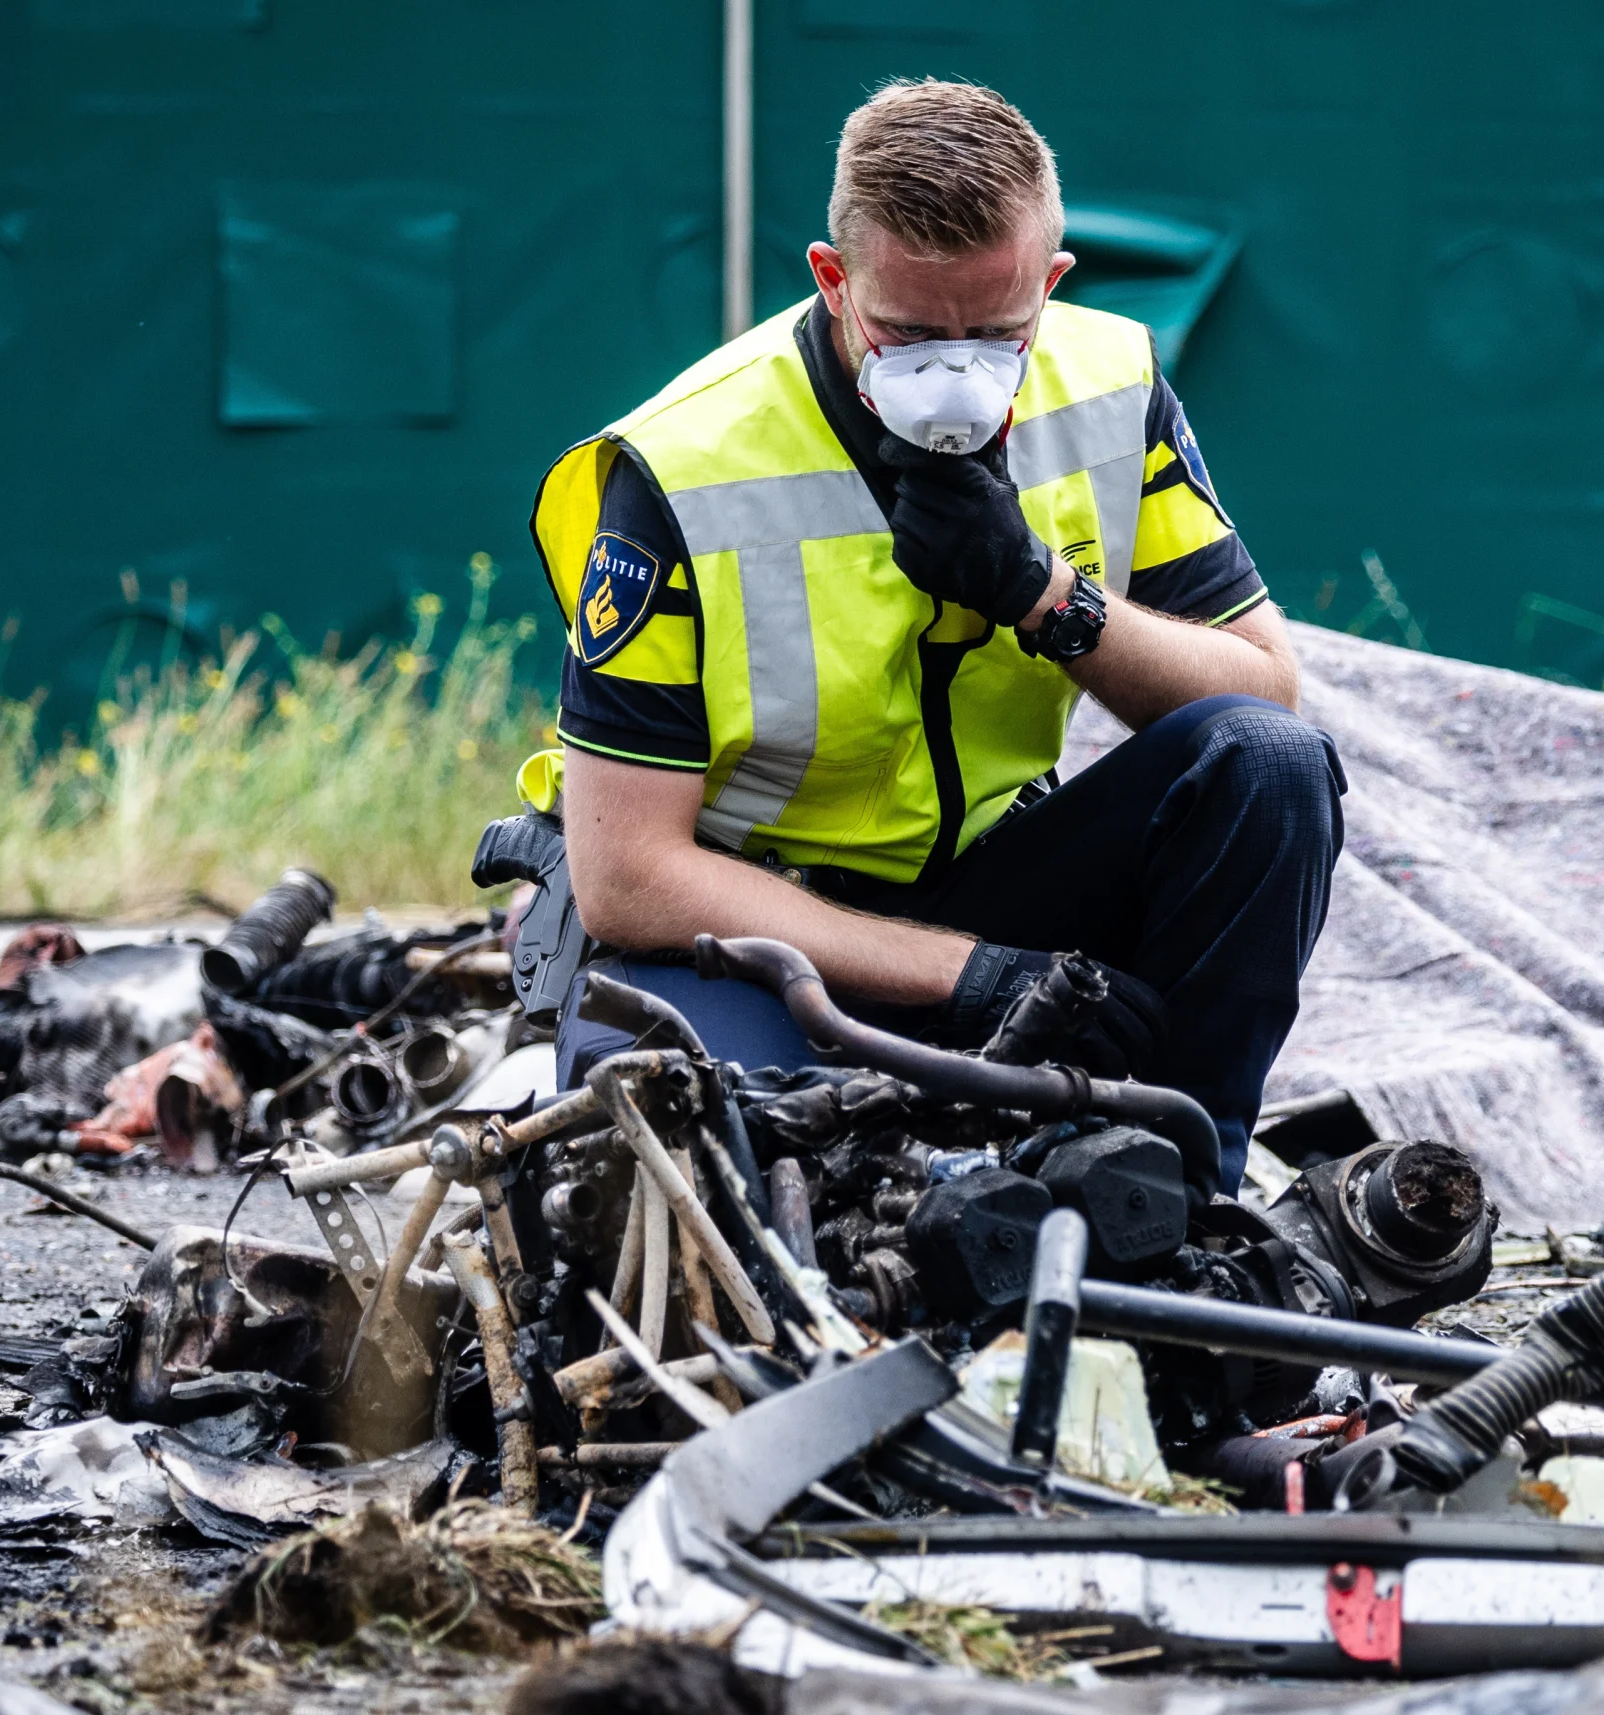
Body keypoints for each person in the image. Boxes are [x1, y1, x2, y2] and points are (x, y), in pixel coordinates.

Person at [522, 78, 1339, 1180]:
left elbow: (1262, 690)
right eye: (907, 331)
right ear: (831, 276)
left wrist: (1048, 597)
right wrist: (975, 973)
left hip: (998, 880)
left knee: (1269, 766)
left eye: (998, 331)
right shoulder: (686, 465)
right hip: (748, 934)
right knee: (728, 1174)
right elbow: (627, 874)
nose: (955, 370)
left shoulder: (1108, 385)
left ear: (1050, 282)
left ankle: (1182, 1201)